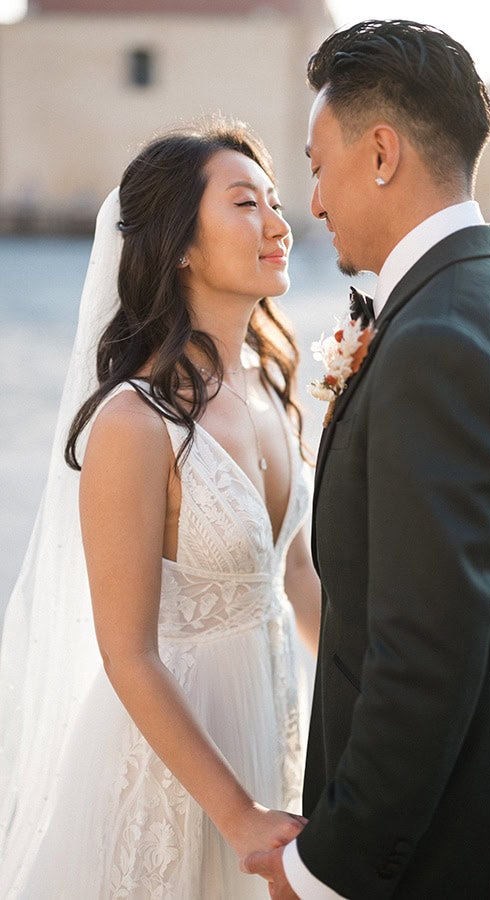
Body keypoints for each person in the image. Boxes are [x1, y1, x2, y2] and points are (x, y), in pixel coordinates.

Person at [243, 19, 490, 899]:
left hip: (450, 846)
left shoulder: (437, 340)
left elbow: (424, 656)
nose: (313, 202)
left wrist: (327, 867)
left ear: (381, 153)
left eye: (318, 166)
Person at [0, 121, 321, 898]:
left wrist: (386, 700)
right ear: (180, 245)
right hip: (169, 776)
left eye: (276, 203)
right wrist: (238, 816)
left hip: (269, 729)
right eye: (245, 204)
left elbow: (298, 577)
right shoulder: (134, 423)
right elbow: (128, 654)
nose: (279, 224)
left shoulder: (273, 389)